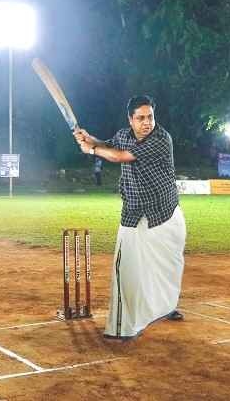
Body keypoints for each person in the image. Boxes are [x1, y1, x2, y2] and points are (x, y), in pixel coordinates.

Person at [74, 95, 186, 339]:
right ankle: (122, 327)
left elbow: (119, 156)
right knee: (125, 268)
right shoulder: (124, 135)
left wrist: (92, 149)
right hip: (134, 212)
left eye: (150, 117)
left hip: (164, 212)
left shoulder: (160, 138)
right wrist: (88, 138)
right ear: (130, 119)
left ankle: (164, 307)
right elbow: (108, 145)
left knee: (167, 267)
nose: (147, 123)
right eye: (140, 118)